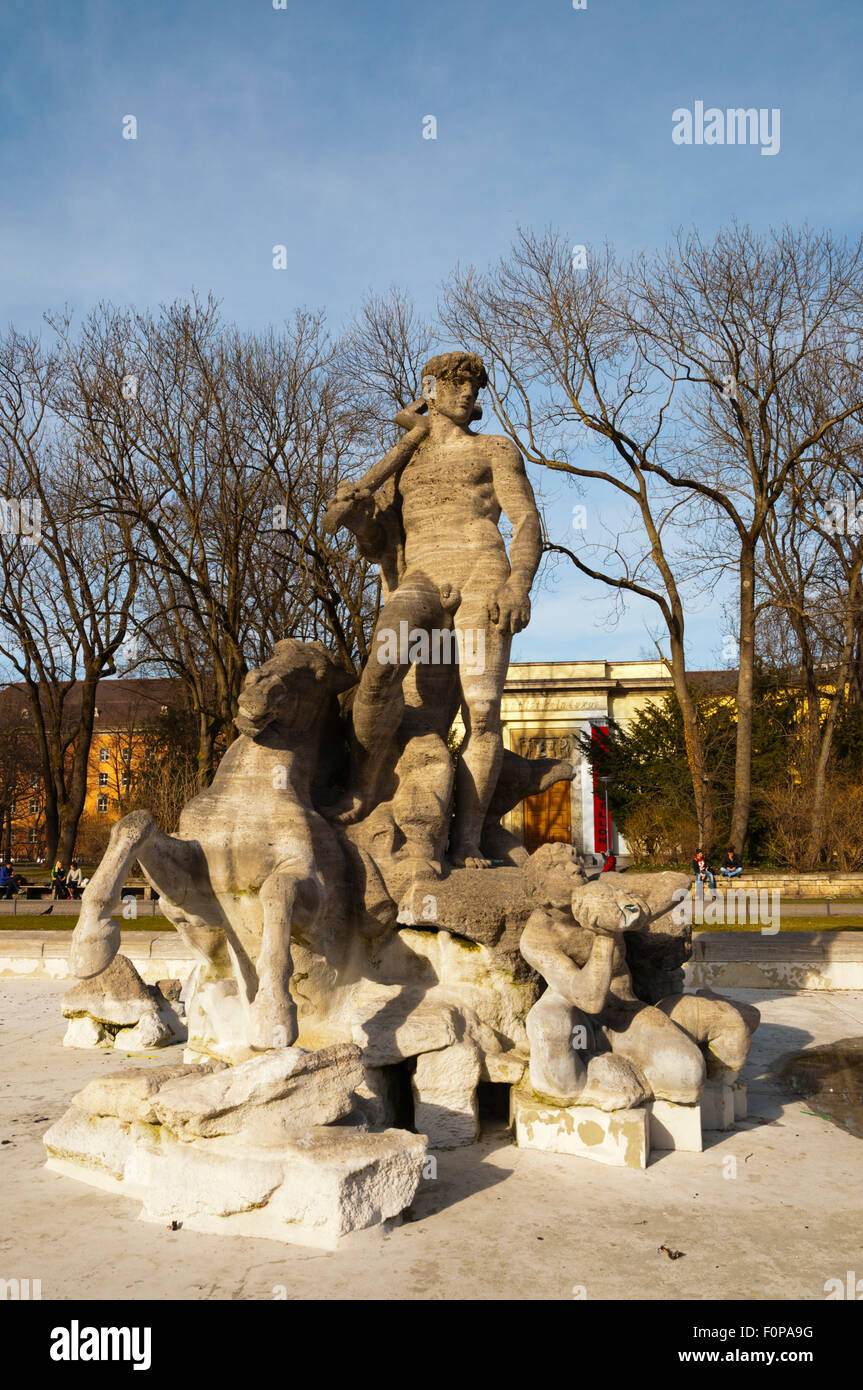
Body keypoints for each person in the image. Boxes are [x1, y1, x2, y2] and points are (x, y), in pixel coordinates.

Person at [322, 351, 542, 869]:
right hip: (420, 578)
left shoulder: (494, 449)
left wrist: (519, 584)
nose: (467, 393)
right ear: (431, 390)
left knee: (482, 715)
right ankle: (363, 788)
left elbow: (527, 519)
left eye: (473, 386)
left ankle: (465, 841)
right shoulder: (405, 465)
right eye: (455, 383)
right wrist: (357, 518)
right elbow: (382, 544)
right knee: (381, 666)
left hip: (483, 575)